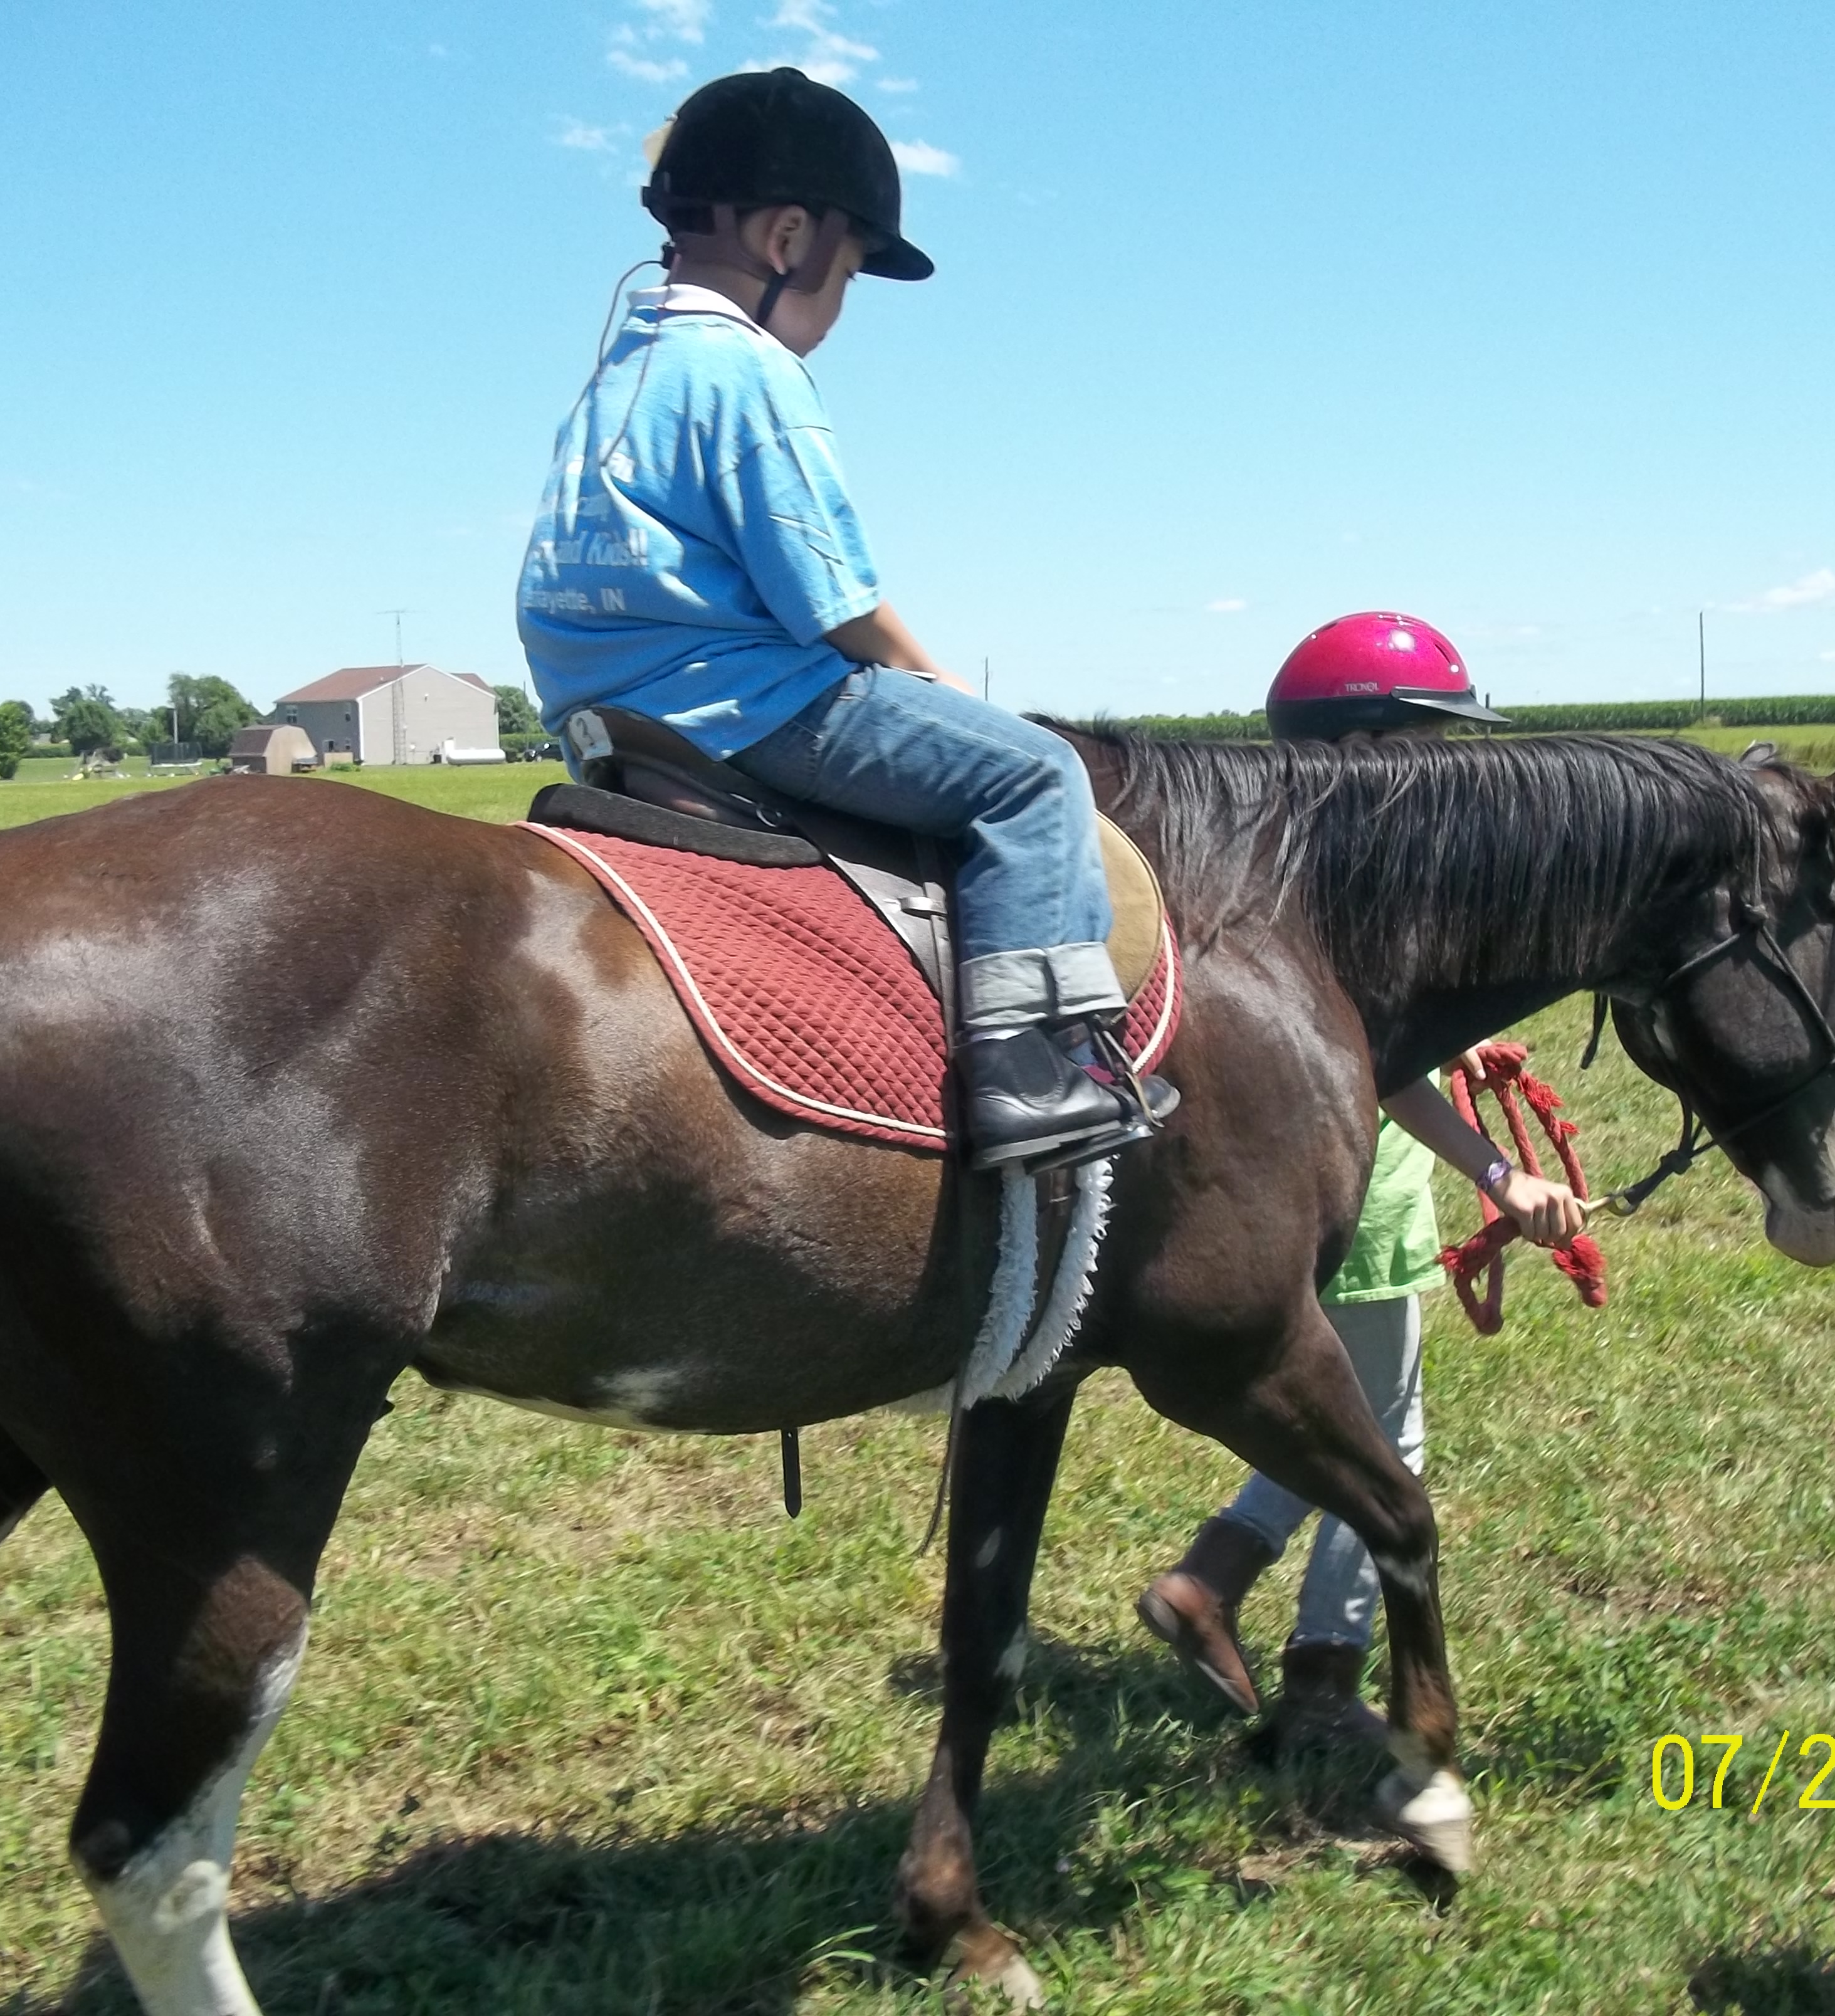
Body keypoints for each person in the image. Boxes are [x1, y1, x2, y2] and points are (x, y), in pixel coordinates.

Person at [515, 66, 1165, 1170]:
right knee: (1030, 774)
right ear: (786, 239)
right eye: (852, 271)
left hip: (602, 713)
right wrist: (939, 680)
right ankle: (1031, 1068)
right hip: (742, 704)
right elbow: (833, 596)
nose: (841, 305)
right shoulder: (747, 369)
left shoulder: (620, 368)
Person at [1134, 612, 1587, 1751]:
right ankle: (1311, 1669)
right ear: (1371, 746)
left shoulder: (1287, 881)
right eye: (1431, 744)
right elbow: (1377, 1076)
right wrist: (1501, 1176)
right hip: (1364, 1213)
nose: (1448, 774)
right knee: (1385, 1447)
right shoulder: (1355, 894)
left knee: (1346, 1428)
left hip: (1314, 1201)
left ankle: (1221, 1586)